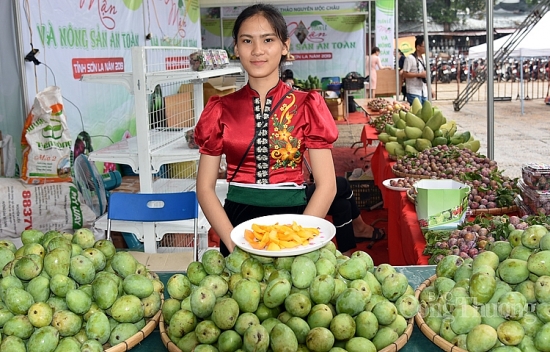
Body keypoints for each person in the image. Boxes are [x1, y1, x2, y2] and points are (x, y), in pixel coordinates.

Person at [194, 4, 383, 257]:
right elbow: (204, 188)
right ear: (236, 48)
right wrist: (232, 243)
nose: (258, 50)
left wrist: (299, 243)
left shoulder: (306, 105)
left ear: (285, 46)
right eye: (247, 40)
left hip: (295, 221)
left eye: (268, 39)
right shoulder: (220, 108)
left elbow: (327, 185)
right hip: (237, 227)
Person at [403, 35, 429, 105]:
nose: (426, 48)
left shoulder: (424, 58)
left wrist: (430, 89)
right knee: (416, 114)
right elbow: (404, 74)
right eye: (424, 46)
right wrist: (419, 75)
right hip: (413, 91)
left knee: (424, 114)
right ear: (418, 47)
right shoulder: (410, 58)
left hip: (424, 92)